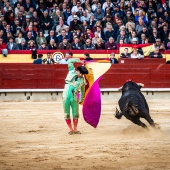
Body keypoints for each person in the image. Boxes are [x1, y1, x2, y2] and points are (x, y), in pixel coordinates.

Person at [63, 58, 88, 135]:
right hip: (66, 96)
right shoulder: (71, 71)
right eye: (81, 73)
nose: (81, 75)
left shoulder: (82, 81)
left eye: (82, 74)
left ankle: (75, 129)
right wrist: (79, 61)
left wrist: (81, 99)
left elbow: (83, 91)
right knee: (66, 113)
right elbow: (70, 61)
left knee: (75, 113)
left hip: (74, 97)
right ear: (77, 71)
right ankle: (70, 129)